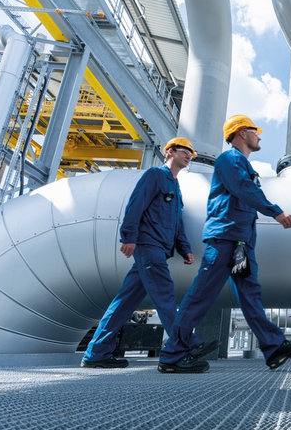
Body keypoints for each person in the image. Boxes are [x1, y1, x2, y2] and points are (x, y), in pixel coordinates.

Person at [157, 115, 291, 373]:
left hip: (240, 244)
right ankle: (172, 355)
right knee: (200, 296)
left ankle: (273, 349)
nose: (259, 136)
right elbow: (244, 190)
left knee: (250, 295)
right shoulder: (229, 160)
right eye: (255, 131)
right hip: (225, 240)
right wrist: (276, 212)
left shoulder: (241, 163)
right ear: (241, 133)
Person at [81, 137, 219, 368]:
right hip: (148, 245)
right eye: (185, 151)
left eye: (191, 154)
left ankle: (96, 353)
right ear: (170, 152)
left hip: (159, 249)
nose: (189, 156)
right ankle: (182, 348)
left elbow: (177, 223)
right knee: (164, 295)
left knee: (124, 302)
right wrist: (129, 237)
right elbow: (135, 205)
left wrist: (184, 249)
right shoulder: (155, 176)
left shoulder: (175, 187)